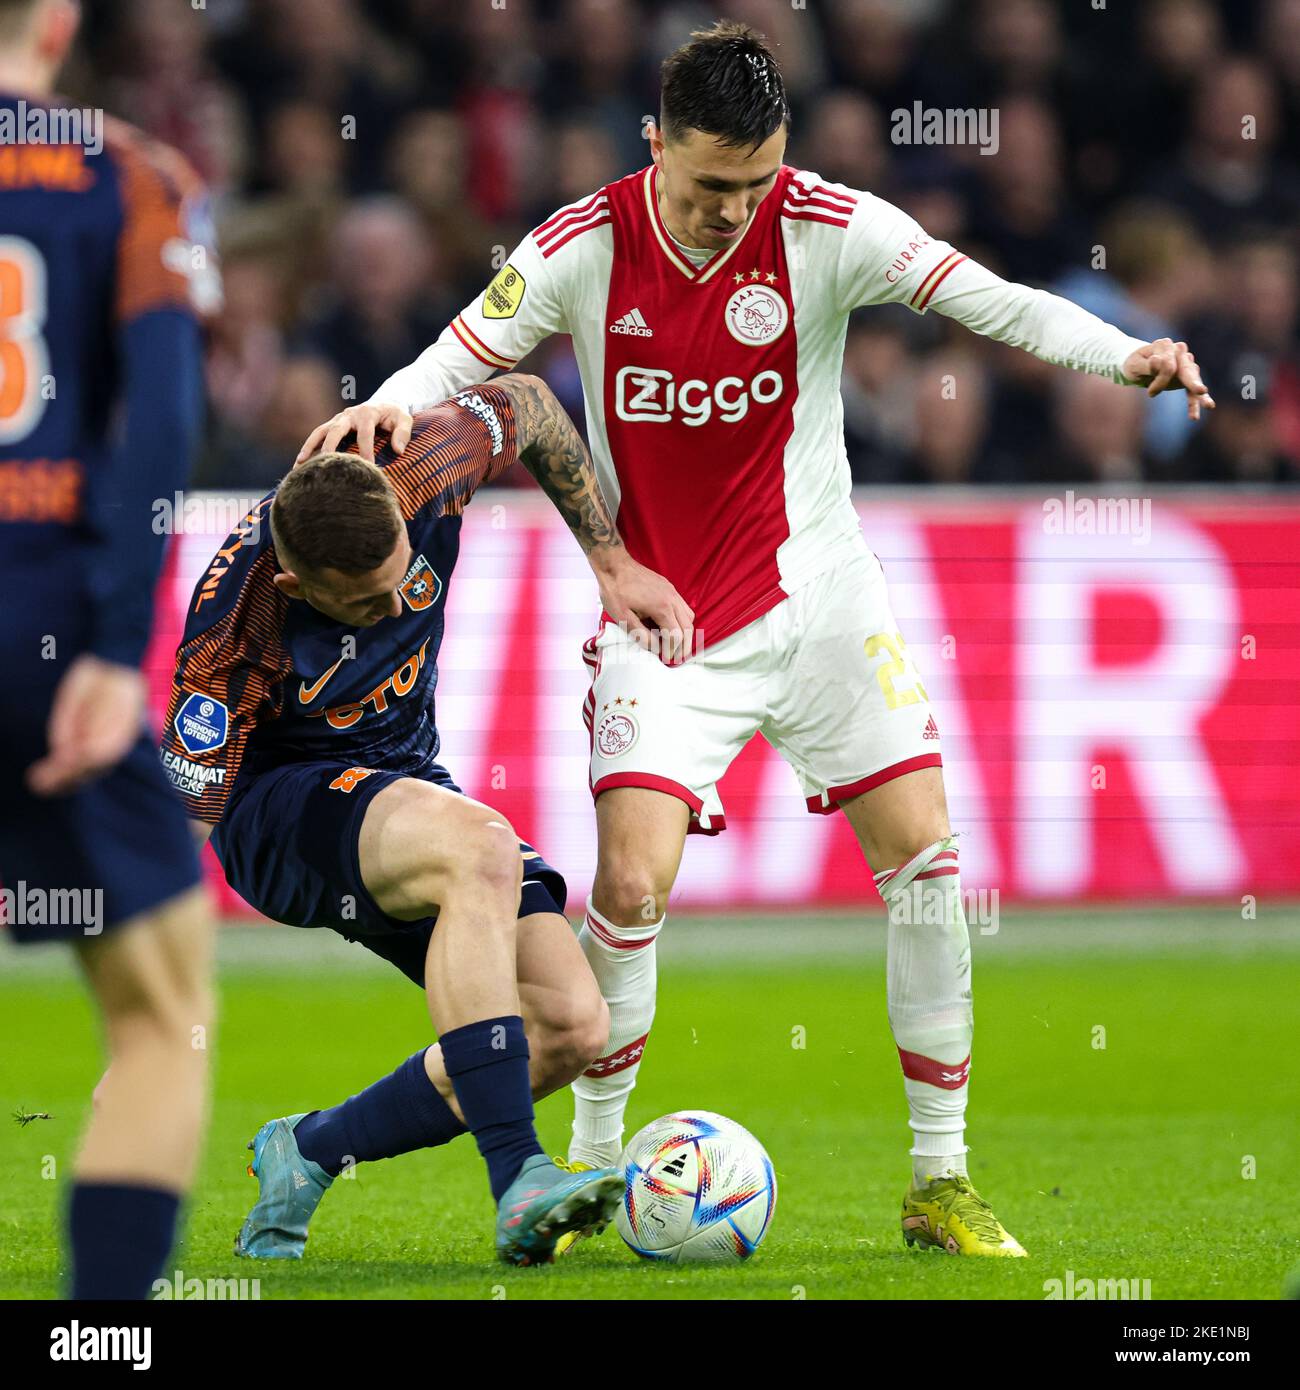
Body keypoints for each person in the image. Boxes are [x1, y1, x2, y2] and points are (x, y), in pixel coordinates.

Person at [297, 22, 1215, 1257]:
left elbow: (984, 299)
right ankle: (596, 1170)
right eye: (707, 183)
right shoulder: (578, 248)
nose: (734, 208)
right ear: (654, 145)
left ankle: (937, 1180)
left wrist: (1127, 354)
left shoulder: (828, 225)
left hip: (821, 601)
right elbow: (462, 351)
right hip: (662, 616)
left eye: (754, 181)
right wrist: (383, 405)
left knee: (930, 863)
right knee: (629, 884)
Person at [161, 373, 686, 1265]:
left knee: (569, 1028)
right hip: (278, 809)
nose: (395, 605)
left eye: (401, 580)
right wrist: (146, 1023)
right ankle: (519, 1176)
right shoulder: (231, 631)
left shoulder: (427, 461)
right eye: (365, 605)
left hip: (403, 779)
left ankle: (309, 1150)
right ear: (296, 582)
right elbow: (186, 831)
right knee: (477, 849)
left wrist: (610, 559)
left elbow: (527, 402)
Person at [0, 0, 218, 1297]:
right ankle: (99, 1339)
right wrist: (113, 645)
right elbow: (159, 420)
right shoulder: (128, 172)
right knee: (160, 1014)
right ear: (60, 19)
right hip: (38, 627)